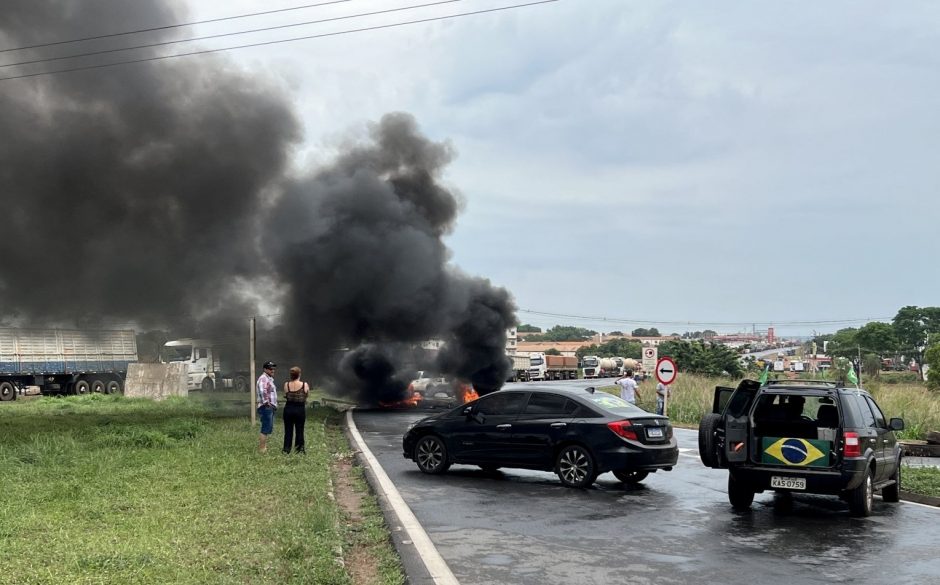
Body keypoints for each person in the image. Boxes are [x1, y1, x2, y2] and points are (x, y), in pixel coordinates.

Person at [282, 366, 309, 454]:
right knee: (300, 429)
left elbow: (286, 395)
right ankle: (300, 449)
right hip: (300, 409)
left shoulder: (286, 384)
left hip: (288, 409)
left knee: (288, 430)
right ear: (299, 374)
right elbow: (306, 395)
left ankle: (286, 449)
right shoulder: (304, 384)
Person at [256, 361, 278, 453]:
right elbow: (263, 391)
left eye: (273, 368)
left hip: (269, 407)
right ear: (265, 369)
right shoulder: (263, 378)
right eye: (270, 368)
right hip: (266, 407)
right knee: (265, 428)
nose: (272, 370)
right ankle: (262, 449)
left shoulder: (268, 378)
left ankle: (264, 447)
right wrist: (267, 403)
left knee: (267, 427)